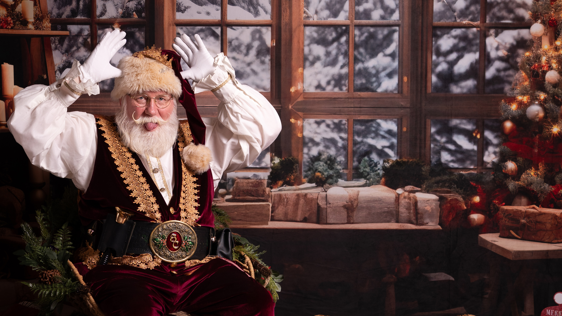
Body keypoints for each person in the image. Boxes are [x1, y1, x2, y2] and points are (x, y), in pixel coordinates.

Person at [8, 29, 281, 316]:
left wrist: (220, 81)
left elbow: (264, 128)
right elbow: (29, 127)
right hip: (124, 271)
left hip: (201, 269)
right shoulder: (89, 135)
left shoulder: (202, 139)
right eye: (140, 97)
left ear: (175, 101)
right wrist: (76, 83)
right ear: (122, 99)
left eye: (162, 98)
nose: (152, 110)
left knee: (256, 303)